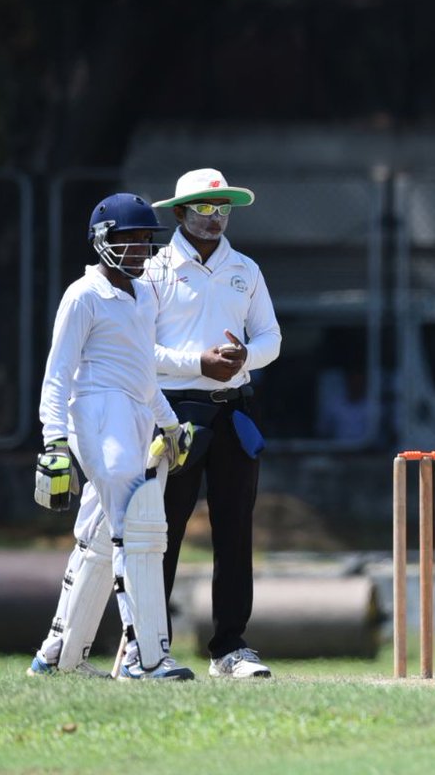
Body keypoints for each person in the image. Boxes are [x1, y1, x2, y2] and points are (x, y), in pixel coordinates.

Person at [29, 193, 194, 680]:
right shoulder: (83, 295)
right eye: (129, 239)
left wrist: (167, 421)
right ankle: (146, 659)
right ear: (102, 241)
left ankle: (59, 657)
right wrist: (54, 443)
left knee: (103, 539)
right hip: (96, 414)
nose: (140, 249)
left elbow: (143, 372)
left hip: (136, 414)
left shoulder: (144, 296)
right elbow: (58, 375)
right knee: (139, 529)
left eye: (146, 240)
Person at [148, 168, 282, 679]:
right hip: (172, 411)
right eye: (203, 209)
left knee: (234, 527)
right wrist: (196, 363)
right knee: (162, 528)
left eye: (222, 208)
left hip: (232, 408)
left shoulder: (244, 268)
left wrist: (243, 358)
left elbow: (271, 338)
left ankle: (230, 646)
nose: (214, 218)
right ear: (180, 212)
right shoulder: (155, 270)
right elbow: (143, 350)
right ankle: (149, 645)